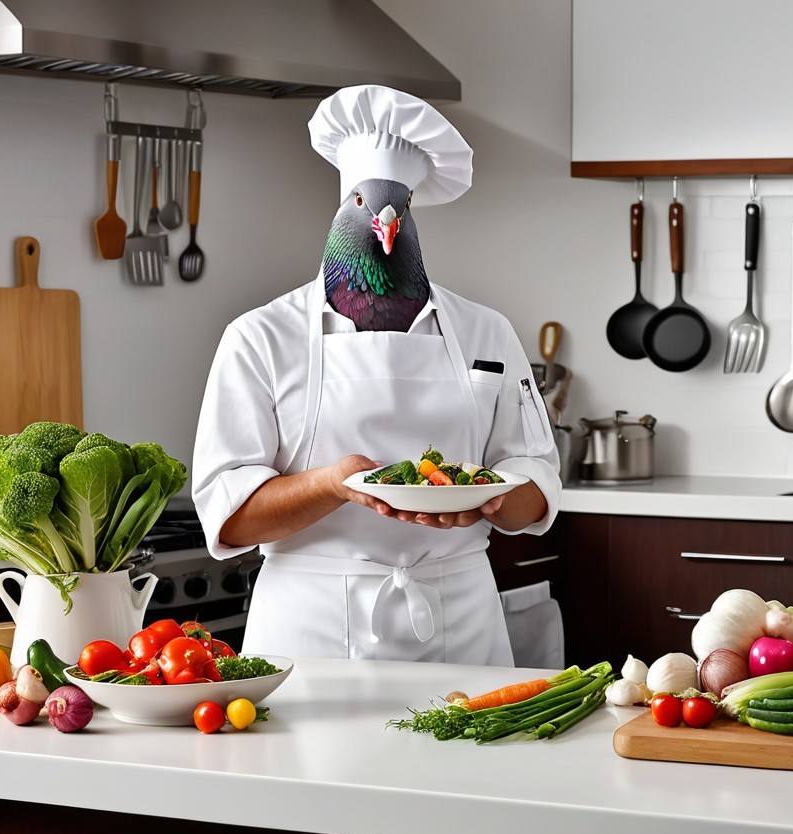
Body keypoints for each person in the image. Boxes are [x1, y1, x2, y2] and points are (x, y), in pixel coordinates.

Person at [192, 85, 560, 665]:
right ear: (344, 212)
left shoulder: (487, 330)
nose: (387, 220)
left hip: (463, 626)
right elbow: (228, 519)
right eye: (367, 204)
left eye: (399, 210)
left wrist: (487, 499)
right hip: (308, 635)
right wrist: (333, 484)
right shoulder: (260, 337)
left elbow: (538, 485)